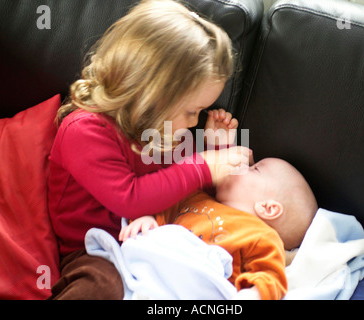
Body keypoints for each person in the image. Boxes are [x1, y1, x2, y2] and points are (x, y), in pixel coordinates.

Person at [47, 0, 250, 299]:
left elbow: (175, 183)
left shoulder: (160, 124)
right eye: (193, 111)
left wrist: (210, 149)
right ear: (149, 93)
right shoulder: (84, 130)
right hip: (98, 246)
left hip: (158, 232)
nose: (196, 121)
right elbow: (130, 199)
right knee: (99, 287)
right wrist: (204, 165)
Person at [120, 157, 318, 299]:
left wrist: (253, 294)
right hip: (158, 271)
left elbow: (271, 276)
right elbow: (163, 206)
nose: (243, 165)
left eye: (255, 169)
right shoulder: (197, 197)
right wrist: (147, 218)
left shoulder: (261, 235)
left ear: (268, 208)